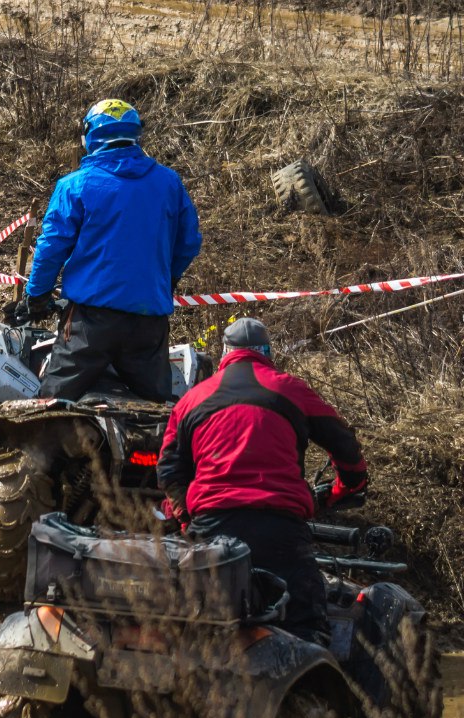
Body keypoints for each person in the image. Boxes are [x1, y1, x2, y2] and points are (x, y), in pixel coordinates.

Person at [156, 318, 369, 643]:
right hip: (280, 529)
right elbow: (346, 448)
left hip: (212, 527)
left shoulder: (191, 400)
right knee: (306, 630)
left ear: (225, 352)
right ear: (267, 352)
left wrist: (186, 518)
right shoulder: (291, 389)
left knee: (198, 628)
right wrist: (345, 488)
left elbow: (169, 470)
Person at [25, 99, 203, 402]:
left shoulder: (75, 185)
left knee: (50, 408)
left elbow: (51, 247)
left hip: (90, 324)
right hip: (149, 322)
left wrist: (37, 295)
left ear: (89, 136)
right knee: (158, 411)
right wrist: (167, 281)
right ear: (135, 134)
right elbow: (189, 243)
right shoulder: (169, 182)